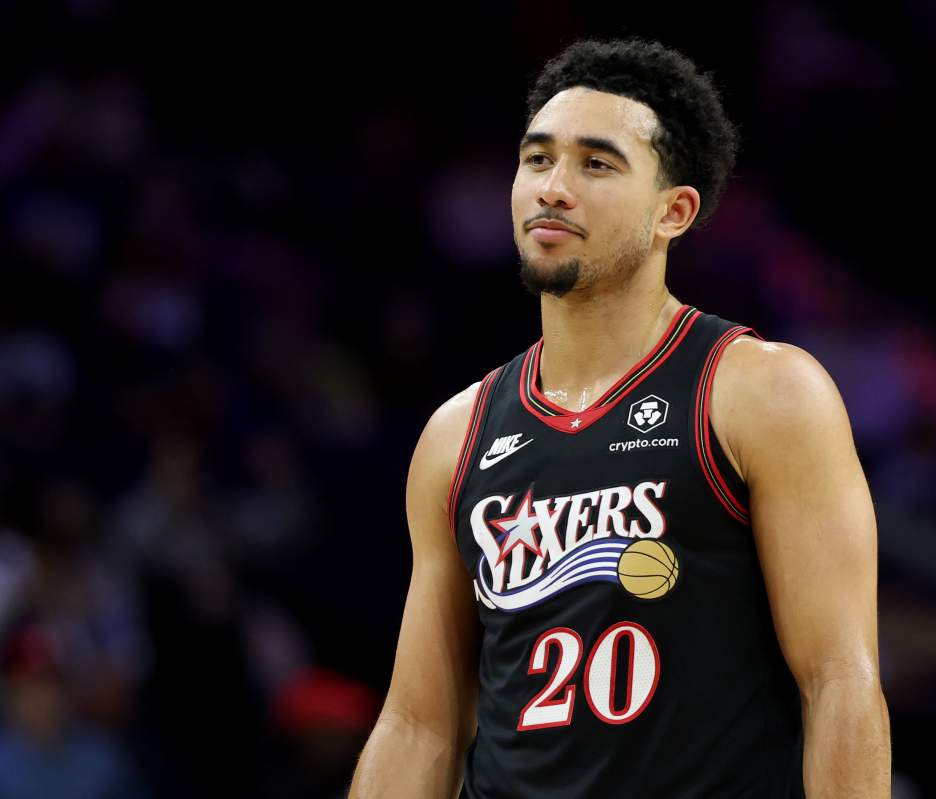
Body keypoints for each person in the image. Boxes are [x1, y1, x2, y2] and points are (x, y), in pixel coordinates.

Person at [349, 37, 890, 798]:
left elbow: (839, 681)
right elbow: (417, 725)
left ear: (674, 211)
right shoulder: (456, 433)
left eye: (596, 164)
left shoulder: (761, 391)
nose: (553, 188)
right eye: (538, 159)